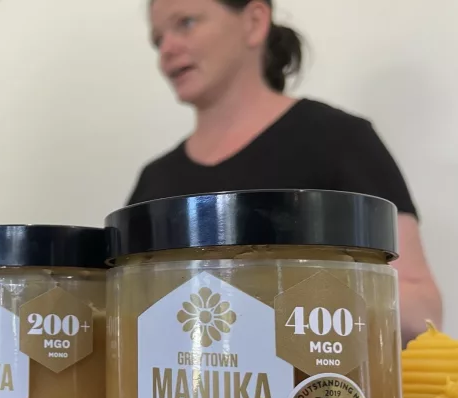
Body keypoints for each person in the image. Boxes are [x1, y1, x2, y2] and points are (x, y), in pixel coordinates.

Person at [128, 0, 442, 343]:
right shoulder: (154, 179)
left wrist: (288, 298)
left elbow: (422, 311)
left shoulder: (340, 140)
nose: (168, 50)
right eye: (158, 40)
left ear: (254, 21)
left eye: (186, 23)